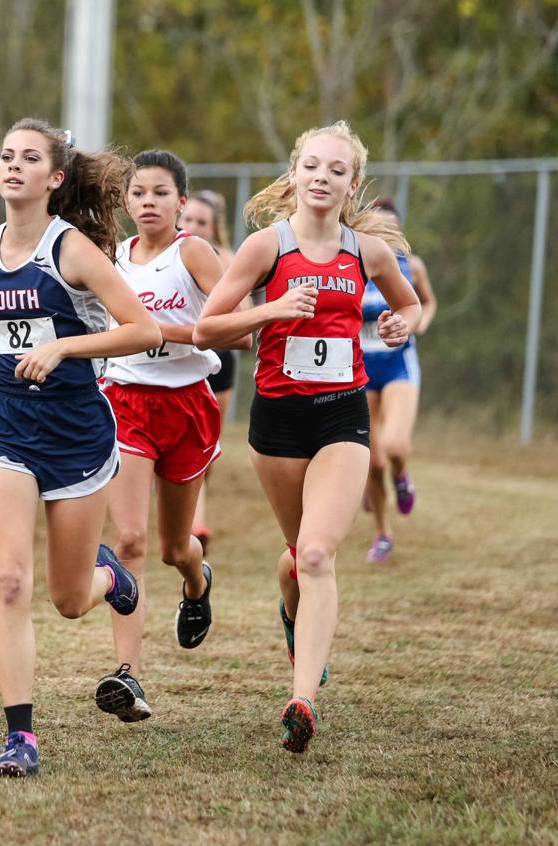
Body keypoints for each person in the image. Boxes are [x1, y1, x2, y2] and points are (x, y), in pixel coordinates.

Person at [0, 118, 161, 777]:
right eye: (5, 156)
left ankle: (113, 578)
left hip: (76, 429)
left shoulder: (73, 249)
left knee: (70, 598)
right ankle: (20, 736)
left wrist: (64, 346)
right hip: (3, 425)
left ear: (54, 178)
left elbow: (142, 330)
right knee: (12, 577)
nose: (13, 166)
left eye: (29, 159)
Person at [193, 121, 420, 754]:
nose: (323, 178)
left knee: (319, 553)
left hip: (341, 416)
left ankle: (302, 701)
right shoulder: (265, 247)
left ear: (352, 184)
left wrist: (404, 325)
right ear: (294, 173)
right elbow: (208, 328)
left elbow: (411, 305)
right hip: (277, 422)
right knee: (297, 555)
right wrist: (271, 310)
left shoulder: (367, 253)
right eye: (312, 166)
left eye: (337, 170)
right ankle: (293, 615)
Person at [95, 152, 249, 722]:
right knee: (129, 540)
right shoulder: (111, 259)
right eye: (138, 193)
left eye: (160, 193)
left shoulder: (194, 253)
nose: (147, 202)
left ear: (182, 202)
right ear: (127, 201)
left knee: (172, 548)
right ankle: (128, 677)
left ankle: (196, 579)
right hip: (126, 404)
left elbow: (239, 329)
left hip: (186, 406)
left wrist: (167, 332)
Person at [360, 197, 437, 563]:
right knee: (371, 463)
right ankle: (382, 533)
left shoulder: (411, 265)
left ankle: (402, 475)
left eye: (390, 226)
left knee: (394, 447)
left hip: (398, 365)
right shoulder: (354, 264)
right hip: (359, 368)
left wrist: (418, 322)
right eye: (376, 227)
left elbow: (427, 302)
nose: (384, 233)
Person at [179, 190, 237, 553]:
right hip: (182, 356)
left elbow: (240, 313)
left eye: (202, 222)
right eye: (189, 220)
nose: (194, 227)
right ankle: (193, 522)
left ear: (215, 228)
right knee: (184, 442)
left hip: (221, 360)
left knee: (209, 445)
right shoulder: (167, 256)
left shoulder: (230, 260)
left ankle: (196, 507)